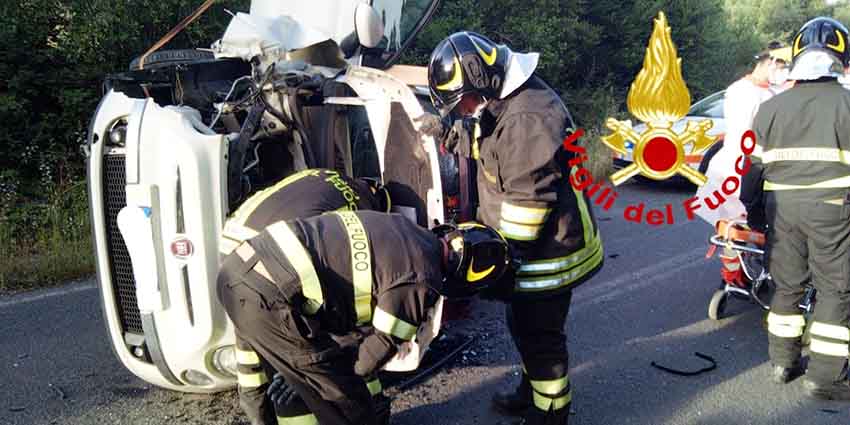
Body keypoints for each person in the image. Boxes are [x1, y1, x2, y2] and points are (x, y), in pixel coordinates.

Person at [423, 31, 604, 425]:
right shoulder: (504, 99)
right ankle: (530, 392)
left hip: (550, 253)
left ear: (483, 81)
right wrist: (445, 131)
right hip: (536, 248)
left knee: (542, 339)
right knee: (522, 326)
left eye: (466, 99)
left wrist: (495, 260)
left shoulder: (528, 118)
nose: (466, 109)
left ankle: (550, 412)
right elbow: (484, 142)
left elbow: (527, 206)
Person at [217, 210, 512, 425]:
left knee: (252, 374)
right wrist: (339, 378)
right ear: (464, 280)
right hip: (270, 299)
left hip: (237, 269)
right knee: (350, 408)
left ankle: (259, 417)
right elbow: (378, 349)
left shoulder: (404, 227)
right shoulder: (422, 279)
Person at [217, 168, 390, 425]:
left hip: (233, 242)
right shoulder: (364, 213)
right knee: (326, 335)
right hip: (274, 260)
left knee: (251, 344)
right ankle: (372, 409)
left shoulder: (324, 174)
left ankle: (257, 414)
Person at [741, 17, 850, 399]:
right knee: (835, 289)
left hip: (780, 209)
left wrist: (753, 213)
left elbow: (752, 170)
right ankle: (825, 377)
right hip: (834, 211)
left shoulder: (772, 108)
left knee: (786, 285)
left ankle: (782, 363)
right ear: (841, 58)